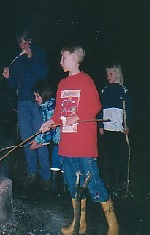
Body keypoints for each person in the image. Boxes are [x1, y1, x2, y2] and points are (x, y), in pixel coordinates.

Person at [40, 44, 119, 235]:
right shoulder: (62, 84)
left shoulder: (86, 81)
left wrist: (79, 115)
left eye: (63, 57)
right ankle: (80, 224)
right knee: (74, 187)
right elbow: (59, 113)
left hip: (84, 146)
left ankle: (113, 226)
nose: (60, 61)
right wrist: (50, 122)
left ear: (74, 58)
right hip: (67, 146)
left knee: (94, 184)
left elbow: (95, 105)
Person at [2, 31, 51, 188]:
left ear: (30, 41)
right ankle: (32, 172)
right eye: (20, 43)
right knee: (26, 139)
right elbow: (14, 84)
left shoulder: (40, 54)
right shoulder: (18, 59)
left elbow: (43, 74)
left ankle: (46, 177)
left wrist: (31, 58)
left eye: (25, 42)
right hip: (22, 103)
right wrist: (8, 77)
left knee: (40, 137)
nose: (23, 46)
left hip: (37, 102)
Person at [98, 63, 132, 193]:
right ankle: (111, 182)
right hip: (107, 129)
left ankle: (122, 181)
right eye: (107, 74)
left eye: (111, 74)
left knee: (120, 157)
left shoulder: (123, 90)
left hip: (119, 130)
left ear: (117, 74)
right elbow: (100, 108)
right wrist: (100, 125)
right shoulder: (105, 90)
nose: (108, 76)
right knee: (109, 157)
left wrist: (127, 125)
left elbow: (129, 110)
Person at [29, 80, 63, 193]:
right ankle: (56, 187)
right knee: (55, 161)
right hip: (57, 142)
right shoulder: (45, 106)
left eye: (37, 96)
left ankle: (66, 187)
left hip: (64, 142)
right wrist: (39, 142)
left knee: (64, 163)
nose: (36, 99)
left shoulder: (50, 107)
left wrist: (38, 140)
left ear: (44, 94)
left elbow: (51, 131)